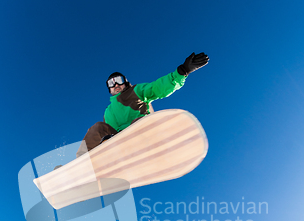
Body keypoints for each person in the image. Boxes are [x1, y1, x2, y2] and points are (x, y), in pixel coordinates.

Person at [76, 52, 209, 157]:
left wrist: (183, 71)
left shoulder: (136, 91)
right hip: (119, 141)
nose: (115, 85)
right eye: (111, 83)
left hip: (141, 135)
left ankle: (148, 145)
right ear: (109, 90)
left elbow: (158, 87)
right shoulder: (108, 111)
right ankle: (81, 162)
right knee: (98, 127)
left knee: (139, 122)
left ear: (126, 82)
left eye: (118, 80)